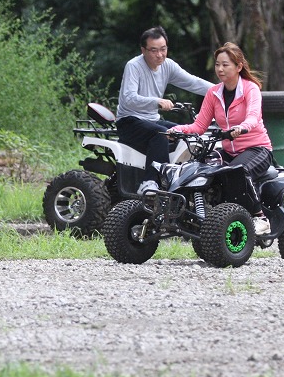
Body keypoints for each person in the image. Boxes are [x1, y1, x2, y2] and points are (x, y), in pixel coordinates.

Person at [168, 42, 274, 236]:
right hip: (228, 151)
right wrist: (177, 130)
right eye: (217, 64)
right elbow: (199, 126)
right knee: (198, 167)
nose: (220, 69)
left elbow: (253, 117)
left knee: (238, 171)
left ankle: (260, 217)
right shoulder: (213, 93)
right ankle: (201, 214)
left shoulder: (250, 89)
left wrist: (241, 127)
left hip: (257, 148)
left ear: (239, 66)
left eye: (225, 65)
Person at [116, 26, 212, 194]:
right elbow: (128, 98)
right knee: (161, 134)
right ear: (143, 50)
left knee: (186, 133)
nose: (160, 55)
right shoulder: (134, 66)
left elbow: (193, 82)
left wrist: (222, 91)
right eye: (154, 50)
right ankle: (149, 183)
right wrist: (157, 102)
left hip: (152, 121)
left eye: (163, 49)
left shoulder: (167, 65)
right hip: (129, 121)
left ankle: (185, 180)